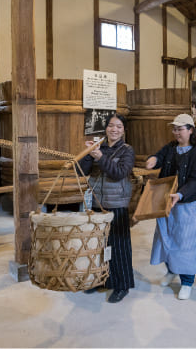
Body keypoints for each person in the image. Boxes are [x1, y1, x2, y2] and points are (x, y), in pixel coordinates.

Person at [145, 113, 196, 300]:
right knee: (167, 238)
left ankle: (187, 281)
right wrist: (153, 159)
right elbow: (160, 156)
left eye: (180, 129)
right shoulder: (171, 148)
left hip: (187, 203)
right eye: (174, 129)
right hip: (167, 201)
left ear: (190, 130)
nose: (176, 132)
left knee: (186, 242)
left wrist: (180, 194)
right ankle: (172, 270)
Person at [78, 113, 135, 303]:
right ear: (106, 128)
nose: (114, 129)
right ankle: (101, 279)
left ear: (123, 130)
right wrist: (89, 154)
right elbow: (81, 170)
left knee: (118, 246)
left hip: (117, 203)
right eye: (111, 126)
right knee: (98, 245)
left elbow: (119, 173)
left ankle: (122, 285)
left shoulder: (127, 150)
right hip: (96, 203)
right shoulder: (99, 147)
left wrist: (100, 157)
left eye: (119, 126)